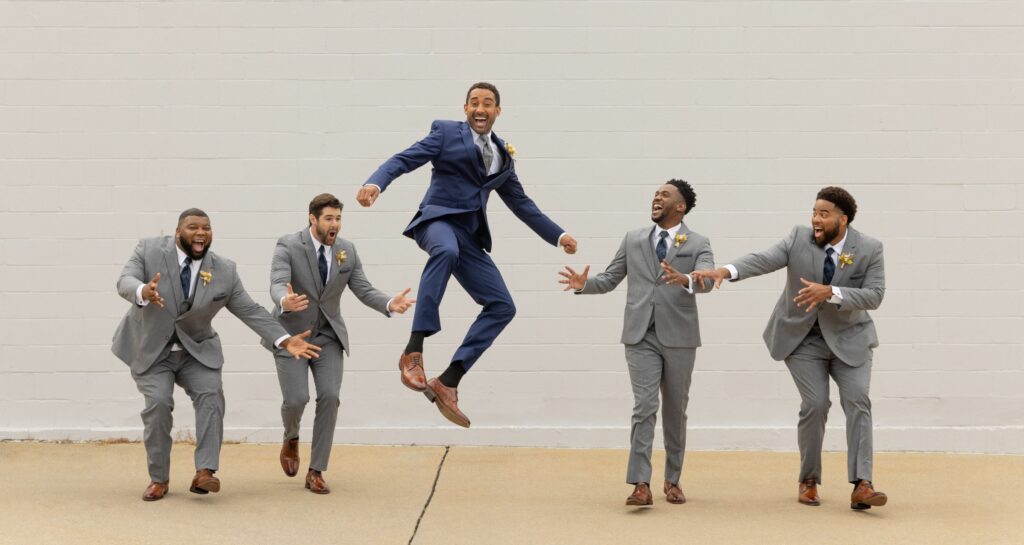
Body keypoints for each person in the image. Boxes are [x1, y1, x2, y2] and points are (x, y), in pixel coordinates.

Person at [356, 82, 577, 427]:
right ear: (465, 108)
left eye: (487, 103)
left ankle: (449, 381)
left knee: (503, 306)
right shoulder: (445, 133)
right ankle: (414, 350)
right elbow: (404, 159)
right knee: (444, 250)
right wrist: (375, 184)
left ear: (497, 112)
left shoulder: (503, 155)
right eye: (474, 102)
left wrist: (559, 235)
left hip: (469, 236)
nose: (480, 108)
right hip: (437, 221)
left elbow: (521, 204)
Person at [691, 186, 888, 509]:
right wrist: (725, 270)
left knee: (858, 402)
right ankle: (808, 479)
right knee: (816, 403)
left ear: (844, 218)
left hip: (851, 339)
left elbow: (875, 295)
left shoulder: (869, 248)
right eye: (814, 212)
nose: (816, 219)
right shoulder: (799, 238)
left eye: (824, 214)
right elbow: (764, 259)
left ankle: (862, 484)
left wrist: (832, 292)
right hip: (802, 338)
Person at [112, 208, 320, 501]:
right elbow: (125, 281)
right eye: (193, 227)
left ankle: (205, 472)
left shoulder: (224, 270)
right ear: (178, 232)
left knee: (211, 396)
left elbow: (249, 310)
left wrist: (284, 340)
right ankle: (159, 478)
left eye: (206, 228)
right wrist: (143, 291)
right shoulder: (148, 250)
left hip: (197, 350)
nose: (201, 233)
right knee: (158, 405)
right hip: (151, 350)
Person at [559, 180, 714, 507]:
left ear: (680, 206)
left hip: (680, 337)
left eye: (665, 194)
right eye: (656, 194)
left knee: (675, 411)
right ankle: (640, 483)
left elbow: (706, 281)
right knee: (645, 406)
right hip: (639, 335)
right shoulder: (633, 239)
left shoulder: (699, 242)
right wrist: (584, 284)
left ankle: (672, 480)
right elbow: (610, 279)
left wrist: (685, 278)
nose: (657, 197)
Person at [267, 193, 415, 494]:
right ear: (313, 219)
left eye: (338, 219)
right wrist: (285, 300)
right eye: (329, 219)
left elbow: (362, 288)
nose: (335, 224)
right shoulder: (289, 245)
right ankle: (291, 437)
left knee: (330, 397)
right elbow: (277, 281)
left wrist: (389, 303)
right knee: (297, 399)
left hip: (329, 337)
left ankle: (316, 470)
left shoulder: (346, 250)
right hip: (293, 336)